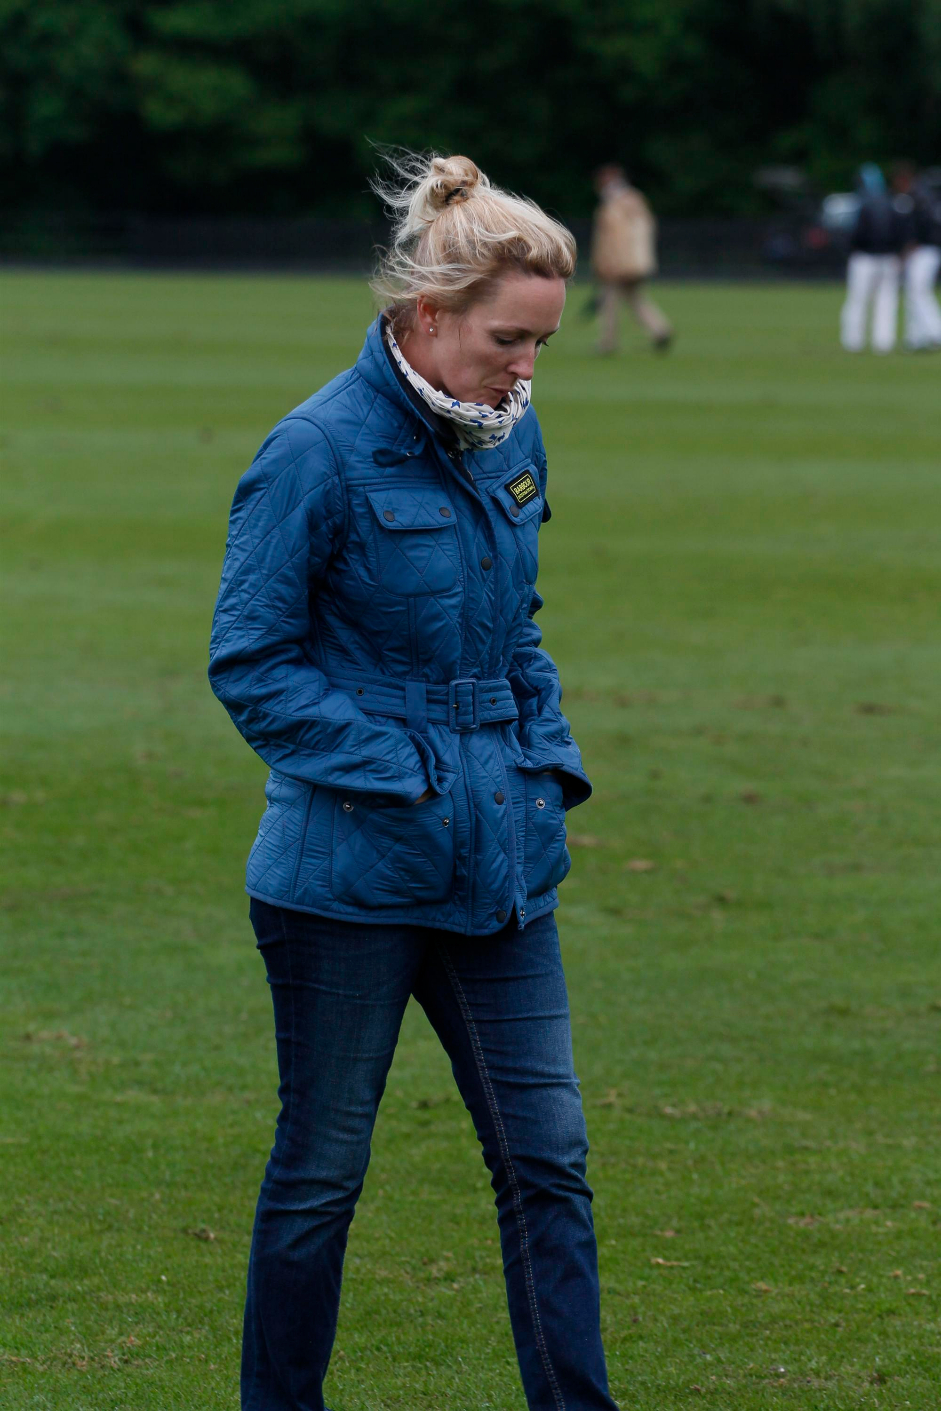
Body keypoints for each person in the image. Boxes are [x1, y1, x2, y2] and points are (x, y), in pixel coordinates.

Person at [208, 151, 619, 1411]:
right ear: (426, 314)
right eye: (507, 339)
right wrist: (409, 772)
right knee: (322, 1172)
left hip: (503, 863)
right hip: (344, 877)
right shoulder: (314, 452)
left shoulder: (513, 430)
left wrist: (544, 756)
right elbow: (253, 661)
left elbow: (517, 624)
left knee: (547, 1162)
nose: (527, 369)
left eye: (542, 343)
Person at [590, 162, 673, 353]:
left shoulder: (614, 205)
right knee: (635, 299)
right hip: (637, 262)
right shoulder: (635, 200)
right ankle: (660, 330)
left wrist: (607, 262)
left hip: (619, 263)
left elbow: (614, 238)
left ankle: (607, 343)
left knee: (609, 301)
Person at [840, 163, 910, 353]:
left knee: (857, 300)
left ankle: (853, 342)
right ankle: (883, 343)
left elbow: (854, 233)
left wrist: (852, 249)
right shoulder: (892, 202)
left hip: (864, 258)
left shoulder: (862, 203)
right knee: (886, 302)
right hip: (888, 258)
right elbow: (902, 233)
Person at [904, 170, 941, 351]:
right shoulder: (931, 202)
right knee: (914, 292)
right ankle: (916, 337)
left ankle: (934, 332)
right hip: (930, 251)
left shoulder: (921, 201)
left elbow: (916, 230)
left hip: (923, 251)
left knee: (918, 291)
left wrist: (908, 249)